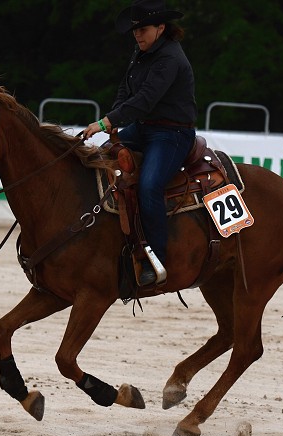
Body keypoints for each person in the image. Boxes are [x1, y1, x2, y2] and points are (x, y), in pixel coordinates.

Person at [83, 0, 197, 286]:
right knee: (96, 157)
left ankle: (155, 258)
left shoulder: (170, 58)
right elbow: (127, 88)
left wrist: (104, 123)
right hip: (144, 128)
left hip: (172, 135)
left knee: (149, 185)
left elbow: (146, 99)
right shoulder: (143, 51)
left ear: (160, 28)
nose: (137, 35)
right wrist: (115, 119)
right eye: (135, 31)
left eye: (143, 29)